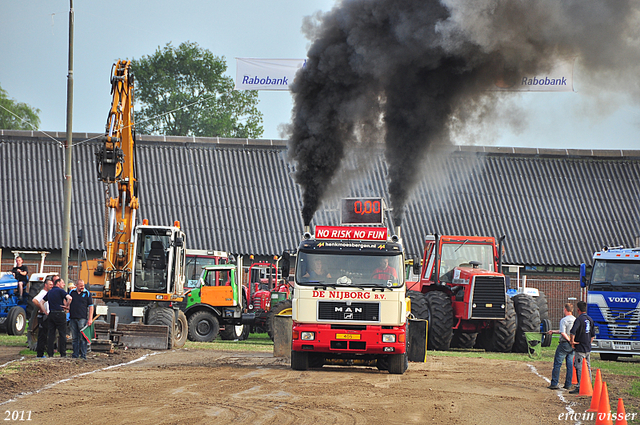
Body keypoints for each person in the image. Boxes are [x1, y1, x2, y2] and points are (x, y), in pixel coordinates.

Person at [569, 300, 596, 394]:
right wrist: (588, 342)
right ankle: (589, 384)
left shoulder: (579, 320)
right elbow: (593, 335)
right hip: (587, 347)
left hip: (580, 347)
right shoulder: (590, 319)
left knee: (579, 366)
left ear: (578, 309)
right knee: (588, 366)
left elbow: (572, 332)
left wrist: (572, 342)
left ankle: (580, 386)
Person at [547, 303, 575, 390]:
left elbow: (563, 332)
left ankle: (554, 383)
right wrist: (554, 331)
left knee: (557, 364)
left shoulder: (564, 320)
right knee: (570, 365)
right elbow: (564, 331)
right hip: (573, 344)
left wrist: (568, 340)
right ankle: (568, 384)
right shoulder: (575, 319)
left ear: (565, 309)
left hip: (565, 343)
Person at [44, 278, 72, 358]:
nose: (64, 284)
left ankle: (50, 353)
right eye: (63, 283)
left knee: (51, 334)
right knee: (62, 334)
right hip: (60, 313)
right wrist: (67, 306)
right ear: (58, 283)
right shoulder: (61, 291)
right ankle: (63, 353)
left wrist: (46, 312)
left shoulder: (50, 292)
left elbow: (42, 302)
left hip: (51, 313)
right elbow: (70, 298)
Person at [68, 279, 94, 359]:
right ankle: (75, 354)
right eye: (81, 286)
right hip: (73, 318)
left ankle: (83, 355)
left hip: (82, 318)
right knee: (74, 338)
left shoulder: (87, 293)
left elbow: (91, 306)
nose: (82, 287)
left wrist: (90, 319)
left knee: (83, 338)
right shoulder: (72, 293)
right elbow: (68, 303)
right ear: (77, 286)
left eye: (83, 286)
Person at [32, 278, 54, 358]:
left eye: (52, 285)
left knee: (45, 334)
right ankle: (40, 353)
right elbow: (34, 300)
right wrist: (41, 308)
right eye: (50, 285)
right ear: (45, 285)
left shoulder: (48, 293)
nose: (51, 286)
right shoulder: (43, 293)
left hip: (46, 315)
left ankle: (43, 351)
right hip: (43, 316)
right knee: (42, 335)